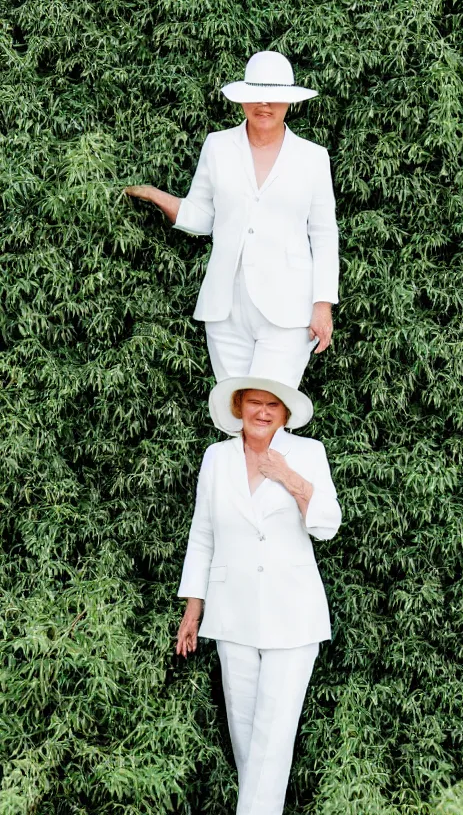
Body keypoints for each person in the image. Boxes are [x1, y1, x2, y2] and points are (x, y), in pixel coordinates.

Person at [175, 376, 341, 815]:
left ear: (285, 413)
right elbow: (203, 532)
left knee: (274, 735)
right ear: (238, 407)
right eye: (254, 402)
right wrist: (194, 607)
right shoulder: (216, 457)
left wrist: (289, 478)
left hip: (294, 613)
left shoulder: (308, 453)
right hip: (233, 614)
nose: (263, 411)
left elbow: (327, 525)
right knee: (247, 739)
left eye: (272, 404)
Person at [124, 51, 339, 389]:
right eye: (255, 95)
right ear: (242, 98)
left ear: (289, 102)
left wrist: (322, 305)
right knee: (235, 410)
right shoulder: (218, 146)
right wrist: (155, 195)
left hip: (289, 307)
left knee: (269, 406)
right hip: (225, 307)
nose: (264, 104)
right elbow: (203, 217)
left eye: (274, 97)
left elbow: (324, 235)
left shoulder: (313, 157)